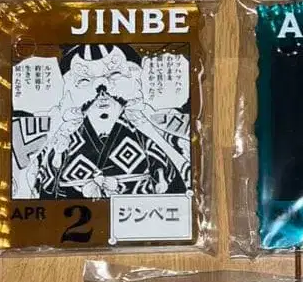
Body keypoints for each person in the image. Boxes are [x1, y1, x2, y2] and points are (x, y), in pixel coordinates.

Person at [33, 44, 190, 199]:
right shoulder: (66, 133)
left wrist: (159, 177)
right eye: (85, 80)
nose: (102, 88)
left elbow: (168, 175)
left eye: (114, 74)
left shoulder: (147, 127)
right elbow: (46, 185)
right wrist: (58, 154)